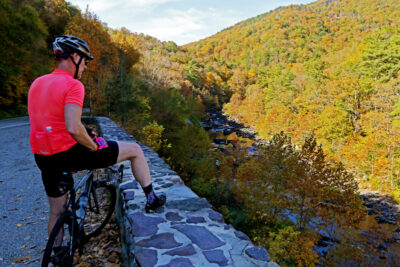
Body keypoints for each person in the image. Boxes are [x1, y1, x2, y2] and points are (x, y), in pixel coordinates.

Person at [28, 35, 166, 242]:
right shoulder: (74, 85)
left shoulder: (37, 83)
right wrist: (93, 146)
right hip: (69, 153)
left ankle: (57, 256)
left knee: (56, 213)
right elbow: (73, 128)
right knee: (135, 150)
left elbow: (53, 119)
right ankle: (151, 198)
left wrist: (85, 129)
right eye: (84, 62)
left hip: (43, 155)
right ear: (74, 57)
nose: (84, 67)